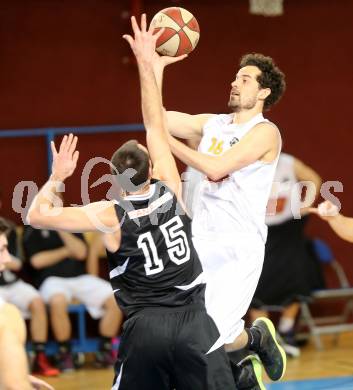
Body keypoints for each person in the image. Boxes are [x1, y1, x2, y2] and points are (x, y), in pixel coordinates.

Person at [26, 14, 236, 390]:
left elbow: (36, 215)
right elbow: (155, 124)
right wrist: (151, 67)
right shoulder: (171, 187)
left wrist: (58, 176)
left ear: (115, 178)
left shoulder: (108, 214)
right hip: (194, 322)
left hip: (146, 327)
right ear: (151, 169)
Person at [152, 48, 287, 385]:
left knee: (213, 338)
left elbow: (215, 169)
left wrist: (164, 141)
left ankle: (253, 346)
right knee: (192, 333)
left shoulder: (265, 131)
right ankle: (245, 365)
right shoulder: (212, 124)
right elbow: (154, 116)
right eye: (235, 77)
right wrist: (153, 68)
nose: (235, 83)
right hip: (200, 239)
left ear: (264, 92)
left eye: (245, 79)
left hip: (238, 246)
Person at [249, 153, 322, 357]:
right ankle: (264, 339)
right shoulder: (243, 164)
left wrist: (305, 204)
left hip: (288, 229)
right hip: (258, 230)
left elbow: (314, 179)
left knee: (298, 274)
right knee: (255, 283)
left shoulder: (288, 162)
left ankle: (286, 330)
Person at [22, 225, 122, 371]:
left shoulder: (69, 225)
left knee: (114, 297)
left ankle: (105, 350)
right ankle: (64, 353)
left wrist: (59, 228)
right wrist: (66, 251)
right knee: (58, 301)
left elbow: (81, 252)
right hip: (51, 280)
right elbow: (37, 261)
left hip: (80, 279)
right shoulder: (32, 228)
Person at [0, 217, 54, 390]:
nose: (7, 257)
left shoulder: (10, 230)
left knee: (35, 302)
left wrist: (16, 372)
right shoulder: (6, 315)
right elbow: (15, 386)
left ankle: (39, 356)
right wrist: (18, 380)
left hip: (14, 285)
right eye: (1, 250)